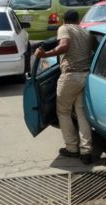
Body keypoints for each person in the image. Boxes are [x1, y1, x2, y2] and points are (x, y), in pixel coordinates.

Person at [34, 10, 96, 164]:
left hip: (70, 76)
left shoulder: (64, 28)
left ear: (64, 20)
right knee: (82, 113)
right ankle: (86, 150)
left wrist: (44, 55)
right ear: (78, 20)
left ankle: (72, 148)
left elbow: (64, 45)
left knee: (63, 111)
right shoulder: (85, 32)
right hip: (86, 76)